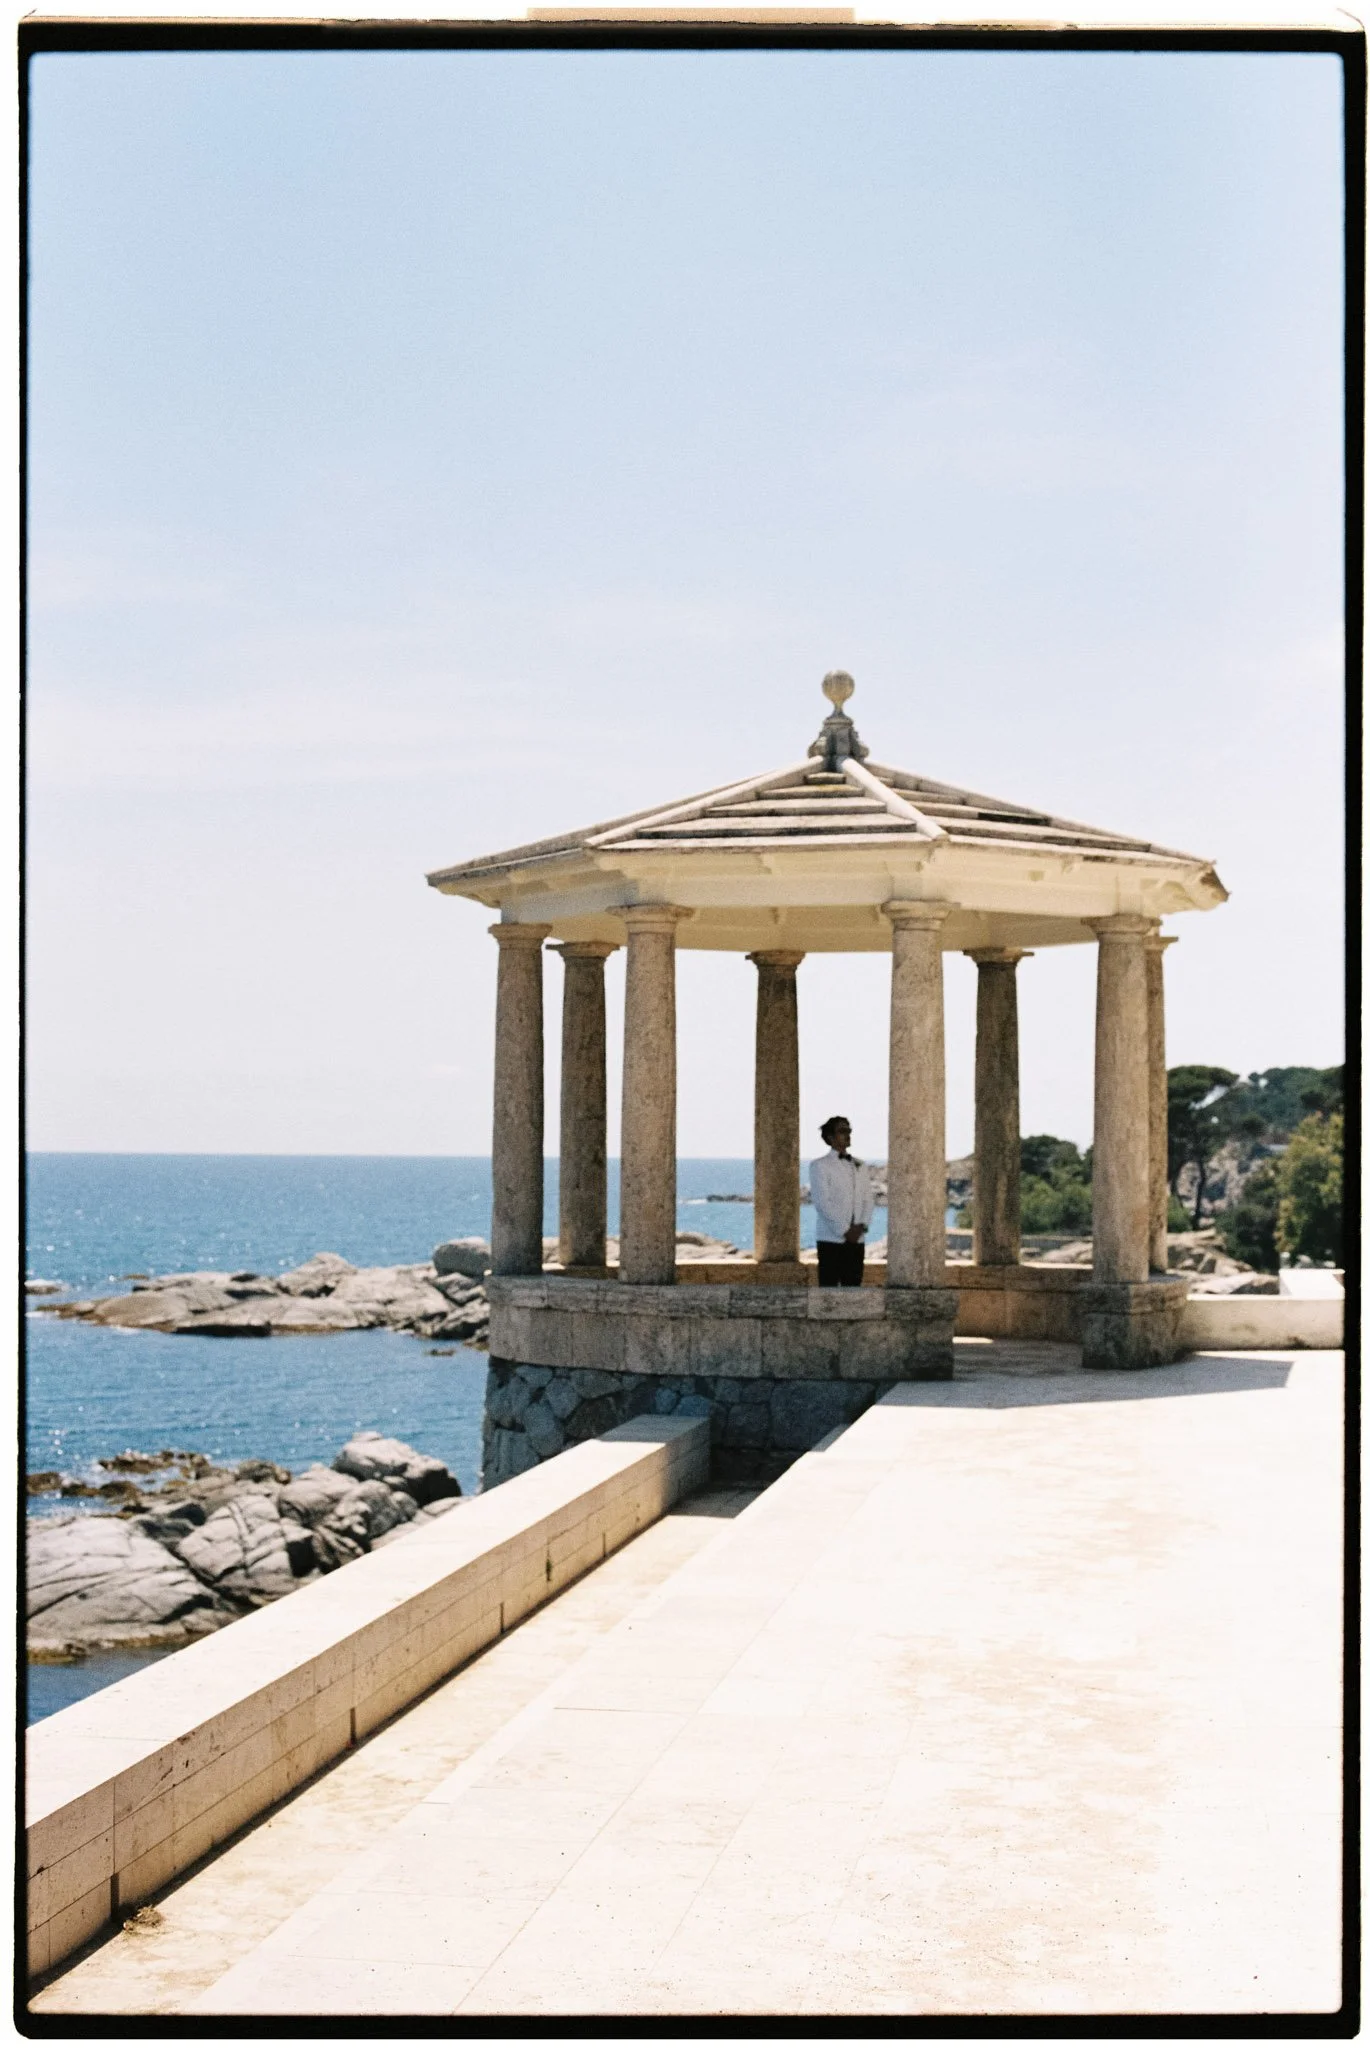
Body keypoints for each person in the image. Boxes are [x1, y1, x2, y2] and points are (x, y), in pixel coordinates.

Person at [810, 1116, 874, 1287]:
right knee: (828, 1290)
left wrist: (862, 1227)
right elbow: (822, 1203)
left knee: (853, 1289)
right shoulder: (819, 1166)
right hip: (831, 1239)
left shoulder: (860, 1165)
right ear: (830, 1137)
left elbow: (868, 1200)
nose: (848, 1134)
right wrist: (845, 1231)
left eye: (849, 1130)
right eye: (842, 1131)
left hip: (857, 1240)